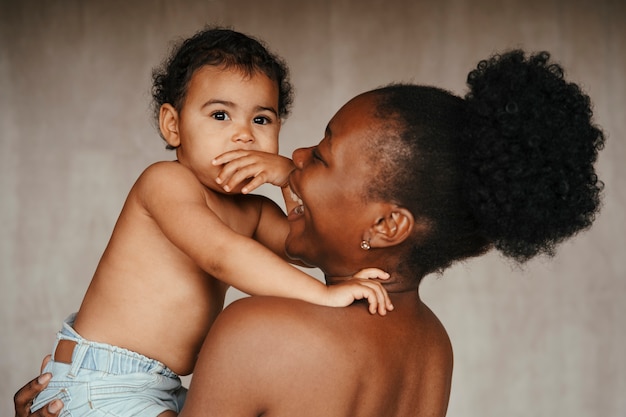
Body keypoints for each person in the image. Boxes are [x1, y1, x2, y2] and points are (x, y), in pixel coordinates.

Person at [16, 49, 604, 417]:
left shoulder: (260, 328)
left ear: (386, 225)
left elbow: (232, 253)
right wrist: (290, 178)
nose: (289, 156)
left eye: (318, 156)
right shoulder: (431, 349)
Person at [24, 26, 393, 417]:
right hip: (102, 379)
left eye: (262, 120)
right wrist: (322, 296)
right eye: (220, 115)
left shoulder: (253, 211)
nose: (244, 136)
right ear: (173, 125)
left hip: (160, 385)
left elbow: (307, 248)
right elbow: (221, 254)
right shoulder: (165, 183)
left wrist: (290, 178)